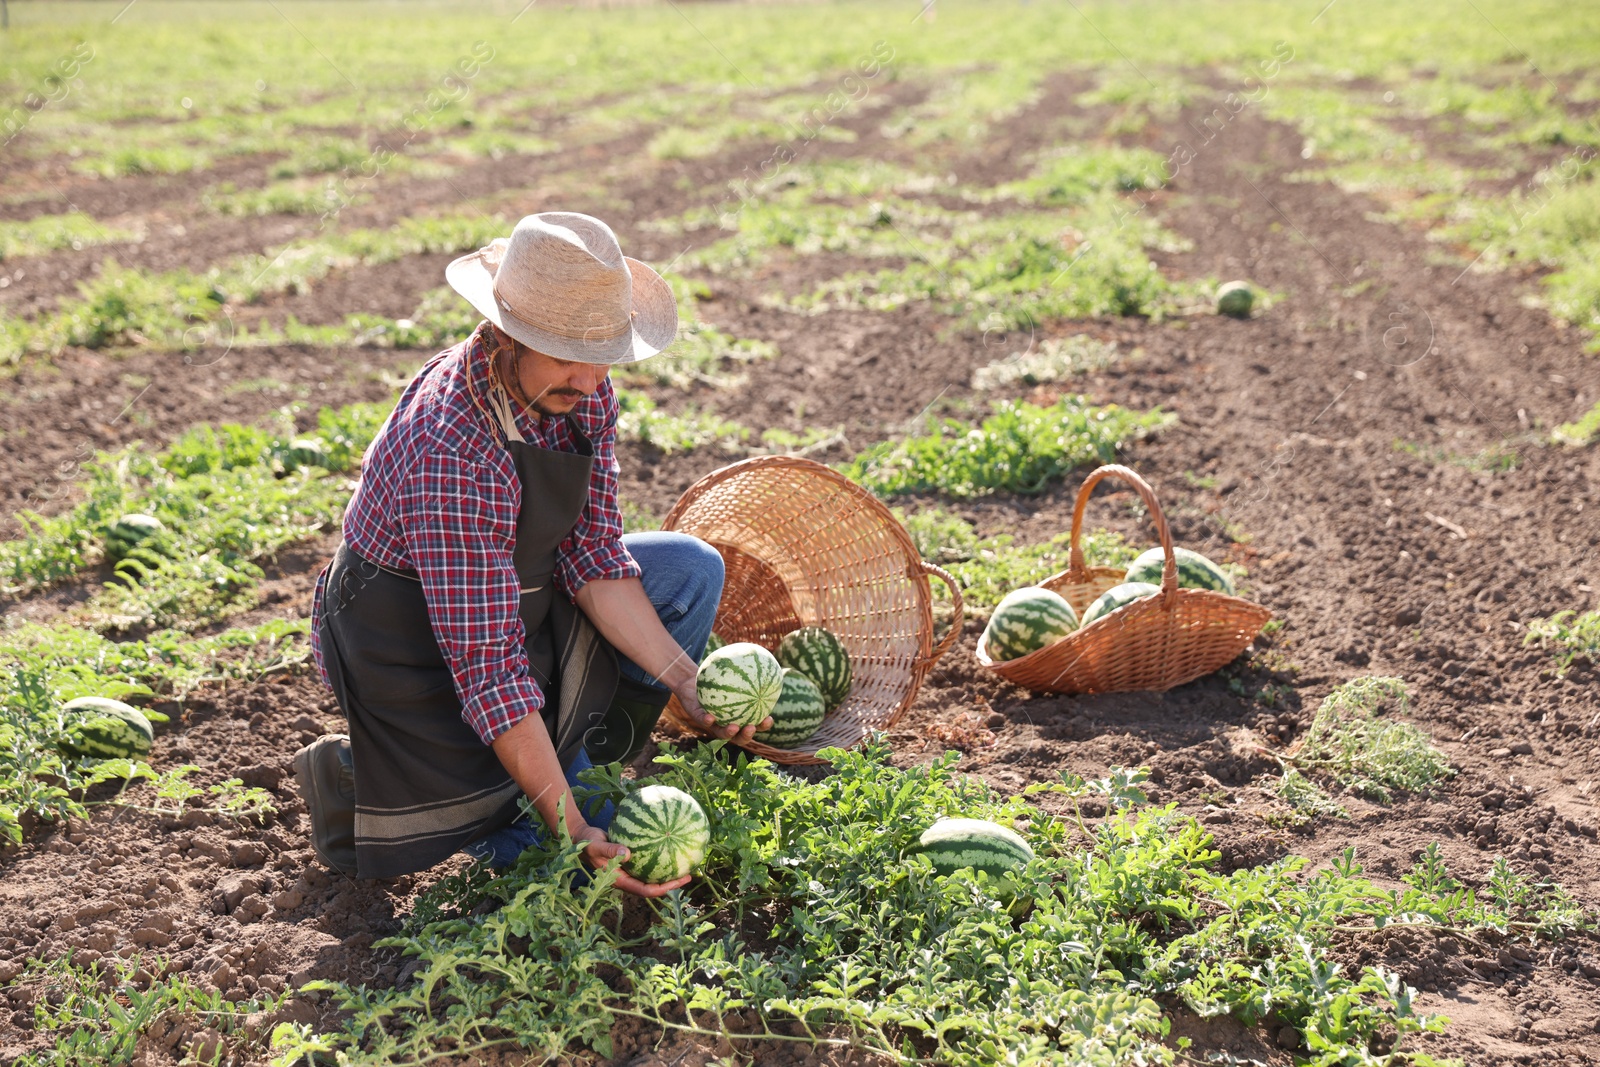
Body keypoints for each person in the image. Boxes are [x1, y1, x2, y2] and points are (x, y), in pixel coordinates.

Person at [292, 212, 768, 897]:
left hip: (515, 593)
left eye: (600, 350)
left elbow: (595, 557)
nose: (587, 376)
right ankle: (372, 782)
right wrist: (573, 828)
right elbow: (488, 670)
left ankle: (583, 754)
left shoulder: (580, 390)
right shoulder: (452, 449)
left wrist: (688, 680)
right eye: (564, 351)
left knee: (690, 573)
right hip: (410, 651)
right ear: (506, 334)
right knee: (569, 859)